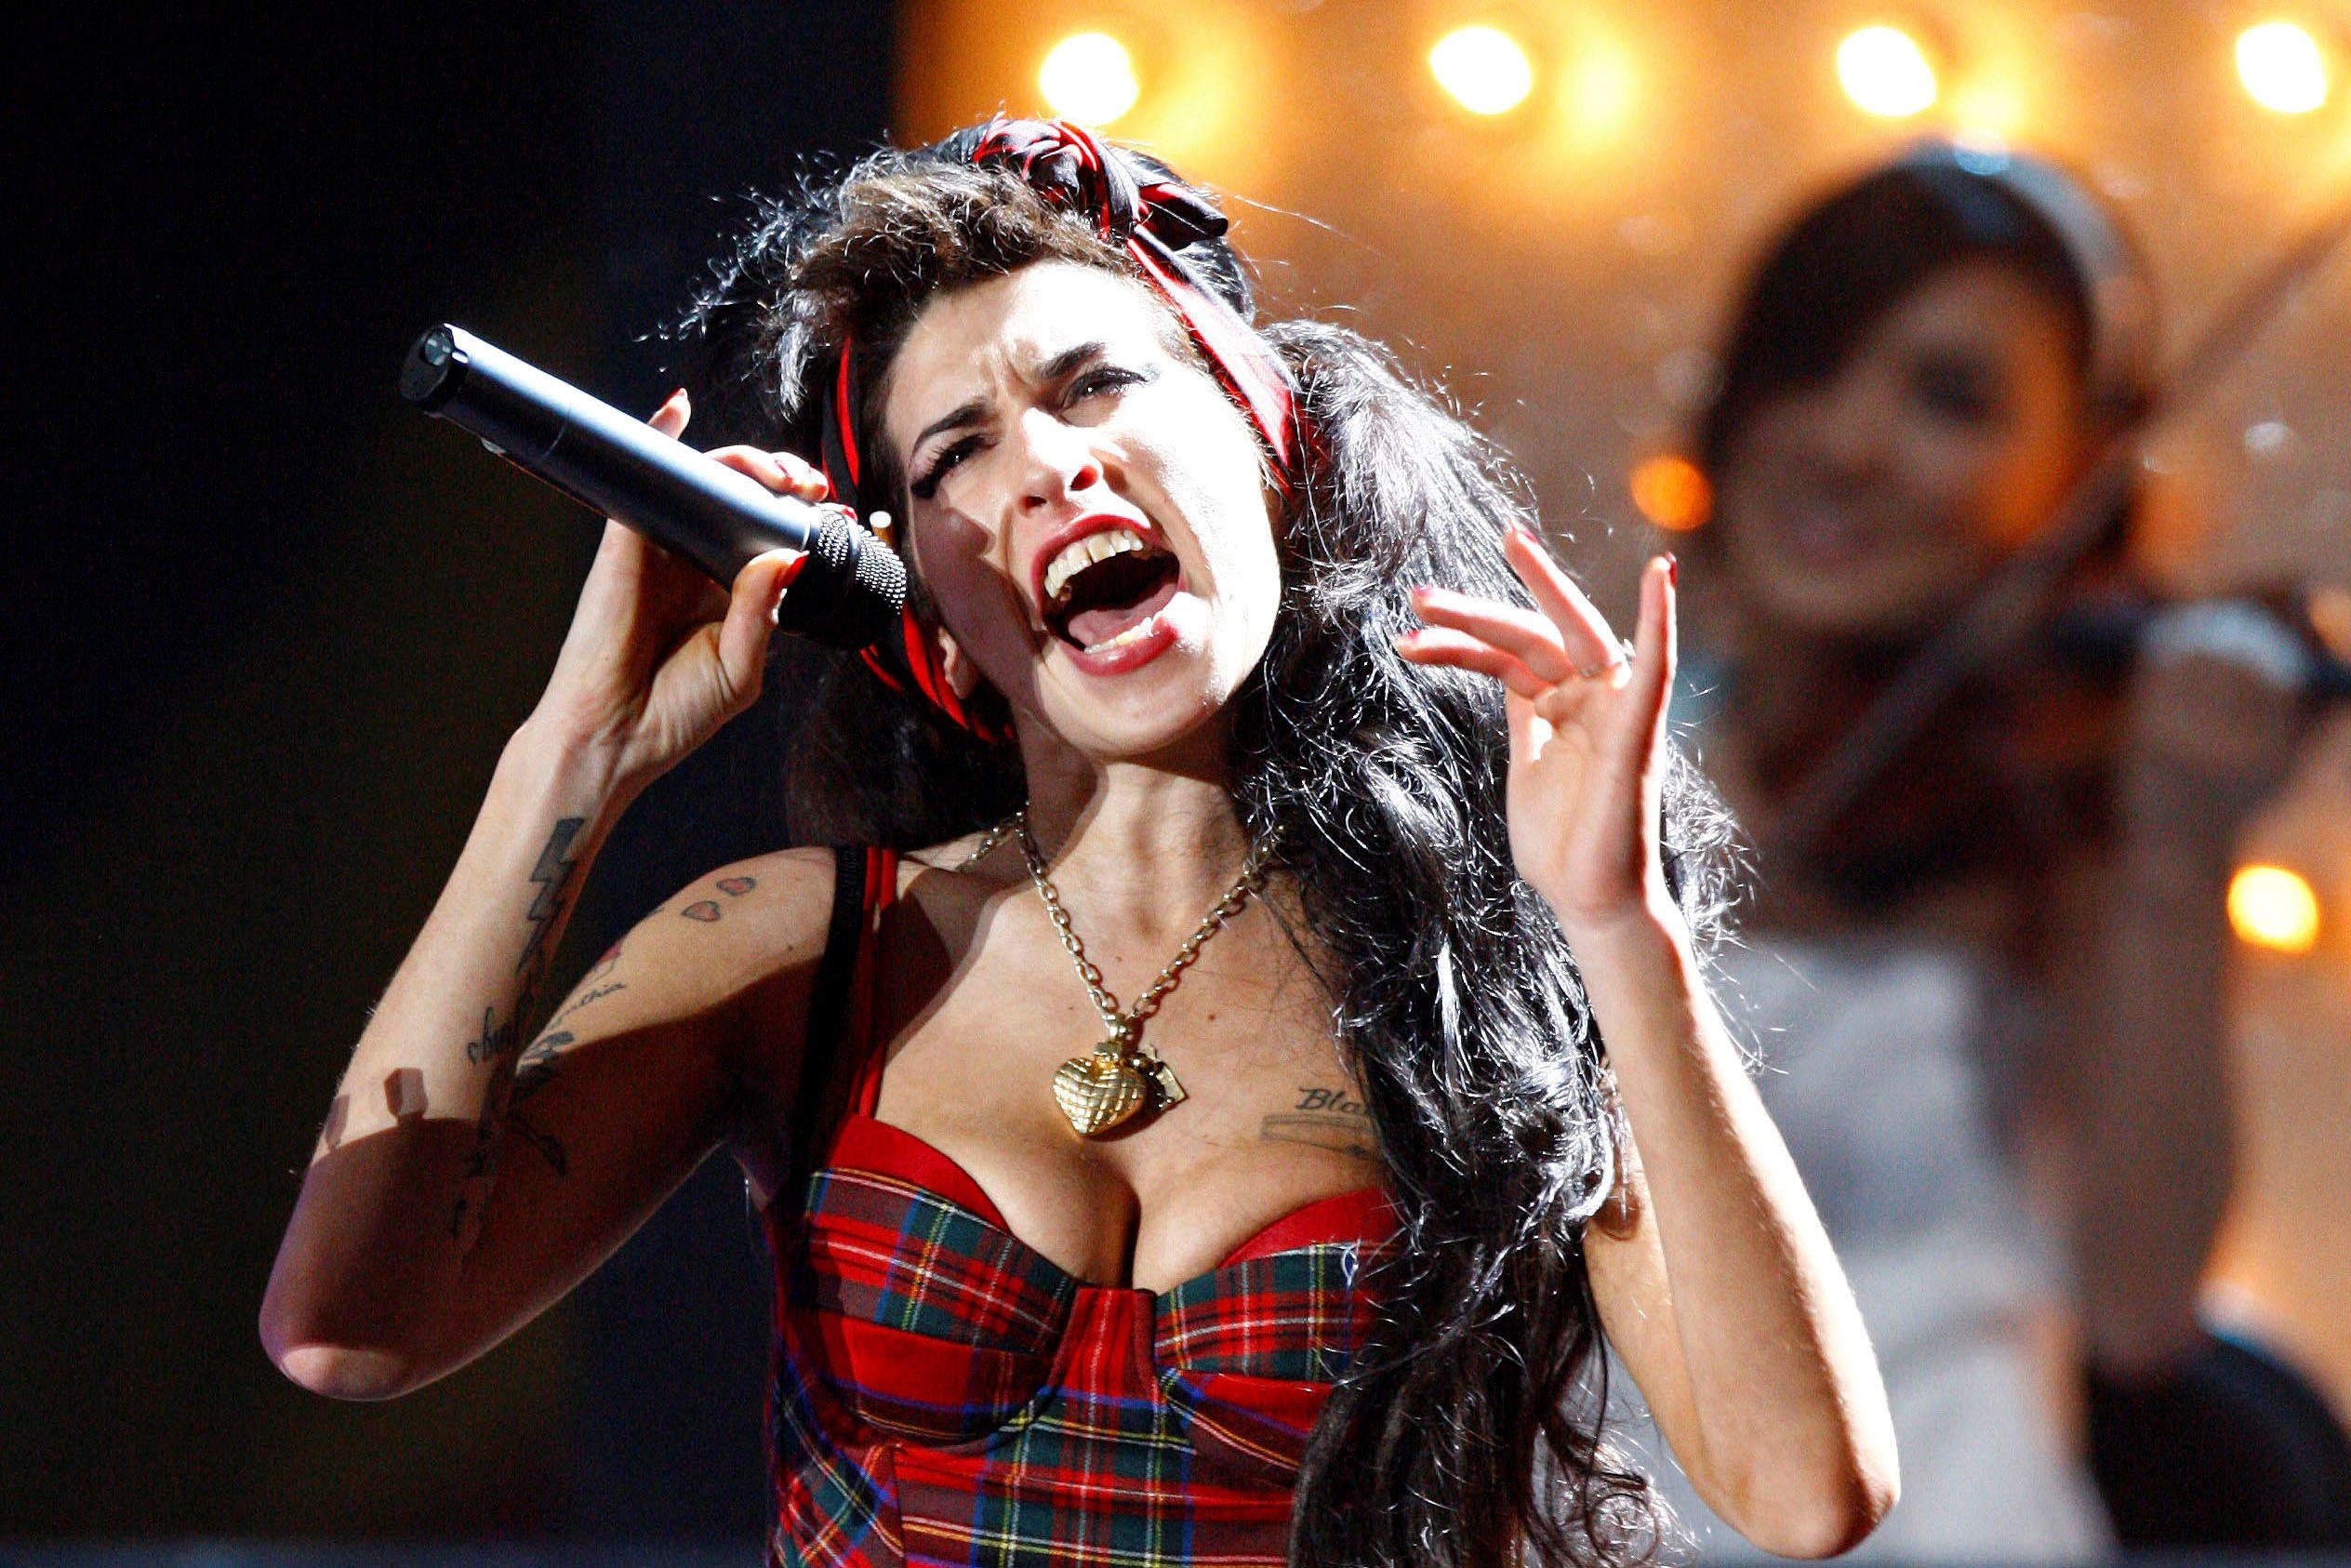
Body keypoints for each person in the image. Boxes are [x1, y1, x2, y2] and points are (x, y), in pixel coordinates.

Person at [259, 117, 1896, 1567]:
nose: (1045, 466)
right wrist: (571, 757)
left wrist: (1617, 924)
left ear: (1268, 446)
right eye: (955, 453)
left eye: (1096, 385)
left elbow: (1808, 1491)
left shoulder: (1483, 962)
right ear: (933, 616)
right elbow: (350, 1328)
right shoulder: (808, 950)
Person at [1630, 140, 2326, 1557]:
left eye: (1947, 397)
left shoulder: (2070, 819)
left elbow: (2140, 1306)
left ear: (2082, 474)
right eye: (1807, 366)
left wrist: (2176, 842)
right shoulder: (1575, 761)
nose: (1846, 440)